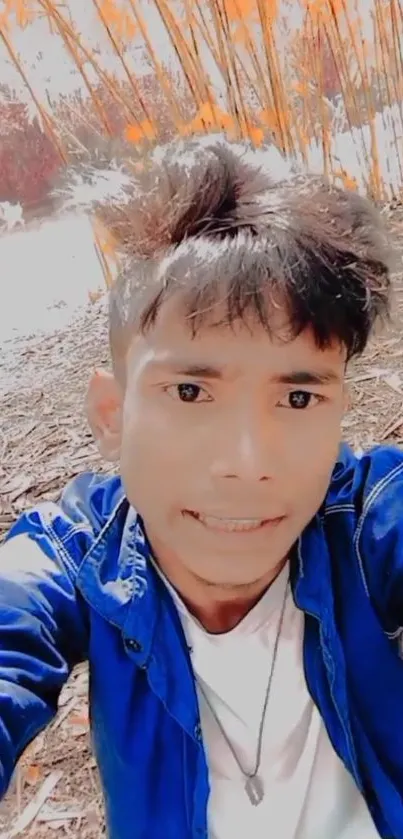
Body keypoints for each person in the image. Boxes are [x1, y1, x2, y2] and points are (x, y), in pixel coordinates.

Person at [0, 133, 402, 839]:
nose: (246, 463)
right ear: (111, 412)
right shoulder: (76, 561)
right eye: (190, 390)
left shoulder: (363, 524)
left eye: (298, 399)